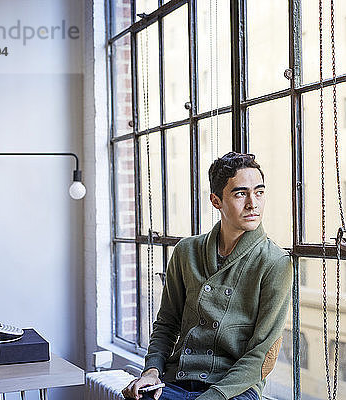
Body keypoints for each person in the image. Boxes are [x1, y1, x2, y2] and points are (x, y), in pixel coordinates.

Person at [122, 152, 293, 400]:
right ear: (216, 201)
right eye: (240, 193)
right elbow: (167, 324)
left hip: (233, 389)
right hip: (178, 379)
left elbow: (261, 354)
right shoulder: (186, 251)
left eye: (259, 192)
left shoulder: (275, 262)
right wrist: (151, 372)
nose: (253, 203)